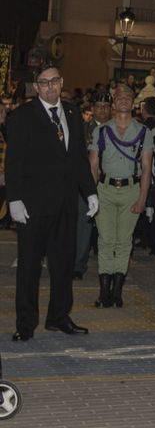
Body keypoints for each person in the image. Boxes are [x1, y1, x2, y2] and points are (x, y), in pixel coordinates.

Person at [8, 66, 97, 339]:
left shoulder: (72, 113)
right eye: (44, 83)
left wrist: (90, 192)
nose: (50, 87)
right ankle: (25, 325)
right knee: (29, 268)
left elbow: (78, 158)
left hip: (66, 204)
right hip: (33, 205)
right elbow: (14, 160)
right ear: (36, 87)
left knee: (63, 265)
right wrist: (14, 199)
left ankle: (58, 317)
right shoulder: (22, 115)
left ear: (62, 82)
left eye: (54, 81)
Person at [88, 83, 153, 309]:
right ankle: (104, 291)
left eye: (128, 97)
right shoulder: (102, 131)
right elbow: (93, 166)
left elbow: (147, 168)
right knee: (105, 240)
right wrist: (91, 195)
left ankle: (117, 292)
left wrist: (143, 199)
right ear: (114, 104)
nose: (124, 100)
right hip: (104, 190)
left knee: (124, 241)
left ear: (133, 103)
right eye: (120, 98)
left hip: (131, 191)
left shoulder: (144, 132)